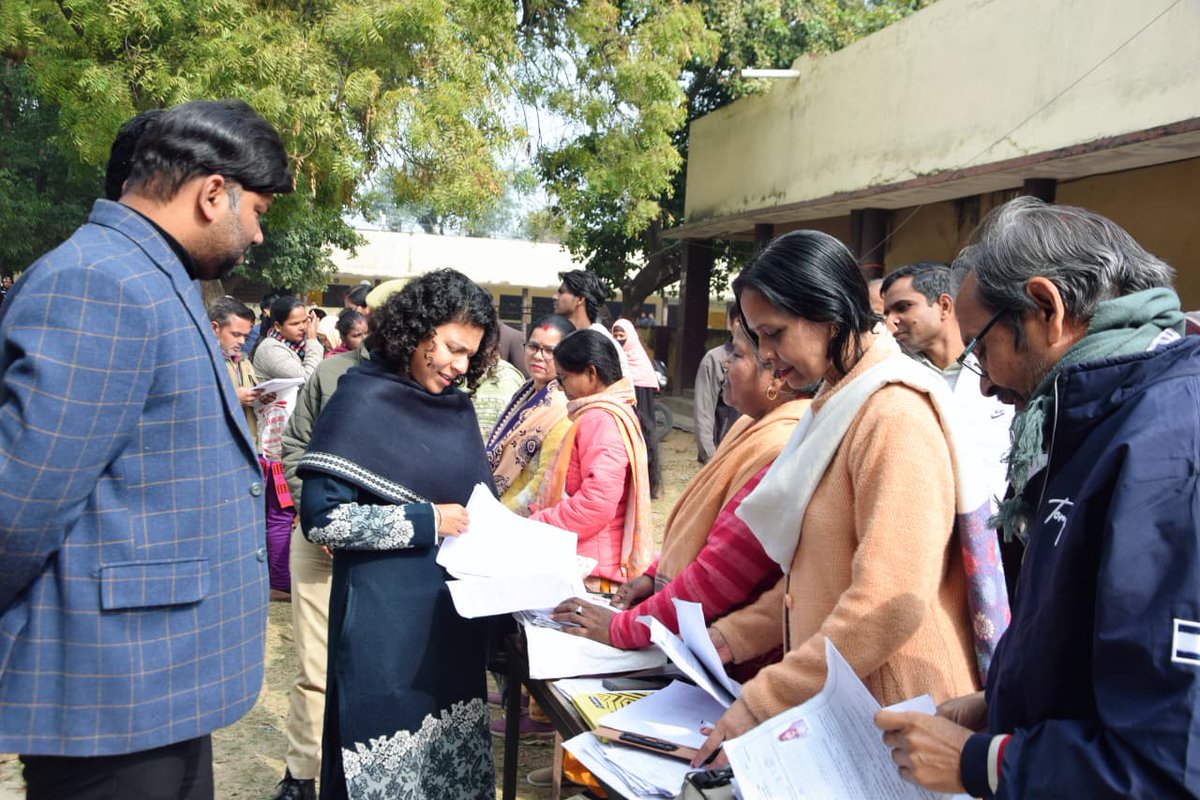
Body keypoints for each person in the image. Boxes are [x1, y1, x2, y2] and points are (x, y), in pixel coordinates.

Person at [0, 98, 291, 797]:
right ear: (212, 192)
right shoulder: (99, 282)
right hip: (108, 690)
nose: (255, 235)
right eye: (256, 211)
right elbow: (19, 506)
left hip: (156, 685)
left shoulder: (151, 273)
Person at [876, 197, 1200, 799]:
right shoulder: (1097, 416)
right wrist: (1000, 706)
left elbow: (1171, 765)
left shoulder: (1171, 454)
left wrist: (989, 763)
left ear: (1046, 309)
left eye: (978, 349)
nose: (987, 384)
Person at [692, 229, 1009, 768]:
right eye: (758, 339)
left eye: (775, 334)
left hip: (896, 711)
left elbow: (888, 602)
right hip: (849, 701)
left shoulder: (894, 415)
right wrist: (730, 637)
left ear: (829, 313)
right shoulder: (837, 404)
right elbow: (819, 576)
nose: (767, 358)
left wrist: (764, 700)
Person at [297, 268, 499, 799]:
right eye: (453, 349)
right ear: (418, 330)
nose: (460, 367)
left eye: (470, 356)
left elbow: (479, 507)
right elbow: (322, 518)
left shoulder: (455, 410)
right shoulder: (360, 399)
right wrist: (425, 521)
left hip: (450, 630)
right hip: (382, 631)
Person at [552, 318, 811, 657]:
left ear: (776, 372)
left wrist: (621, 628)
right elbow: (704, 532)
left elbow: (722, 572)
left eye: (737, 353)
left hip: (727, 655)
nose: (724, 362)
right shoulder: (752, 426)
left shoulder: (782, 445)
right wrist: (655, 573)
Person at [882, 262, 1014, 522]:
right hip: (928, 527)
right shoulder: (895, 377)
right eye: (887, 312)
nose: (891, 321)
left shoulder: (999, 367)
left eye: (903, 307)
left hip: (1003, 528)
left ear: (943, 305)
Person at [529, 329, 652, 592]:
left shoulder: (600, 419)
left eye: (563, 379)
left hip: (593, 566)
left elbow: (596, 504)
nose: (561, 389)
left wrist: (539, 523)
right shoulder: (612, 411)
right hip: (595, 553)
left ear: (591, 373)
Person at [252, 294, 324, 599]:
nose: (302, 328)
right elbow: (308, 378)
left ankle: (279, 577)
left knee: (284, 513)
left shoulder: (286, 347)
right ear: (277, 324)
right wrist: (314, 343)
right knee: (281, 515)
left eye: (305, 322)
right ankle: (278, 582)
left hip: (284, 439)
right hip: (275, 444)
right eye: (294, 323)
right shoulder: (271, 349)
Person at [486, 315, 575, 512]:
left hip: (522, 515)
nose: (538, 355)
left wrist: (505, 514)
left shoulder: (564, 405)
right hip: (497, 502)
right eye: (533, 347)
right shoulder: (525, 390)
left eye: (550, 351)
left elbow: (546, 477)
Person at [612, 318, 663, 497]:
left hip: (641, 409)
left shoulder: (641, 363)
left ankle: (647, 485)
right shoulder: (617, 361)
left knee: (643, 442)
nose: (619, 339)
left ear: (631, 337)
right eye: (615, 335)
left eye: (622, 335)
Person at [552, 269, 631, 377]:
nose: (555, 297)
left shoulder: (600, 342)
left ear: (579, 299)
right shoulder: (564, 337)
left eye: (561, 292)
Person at [209, 295, 263, 448]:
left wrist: (262, 398)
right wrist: (233, 399)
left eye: (245, 336)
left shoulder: (244, 361)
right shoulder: (201, 361)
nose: (242, 341)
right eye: (236, 334)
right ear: (215, 328)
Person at [693, 303, 740, 463]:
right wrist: (710, 456)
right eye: (739, 321)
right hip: (720, 452)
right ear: (730, 323)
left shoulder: (765, 358)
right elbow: (704, 411)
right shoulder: (714, 359)